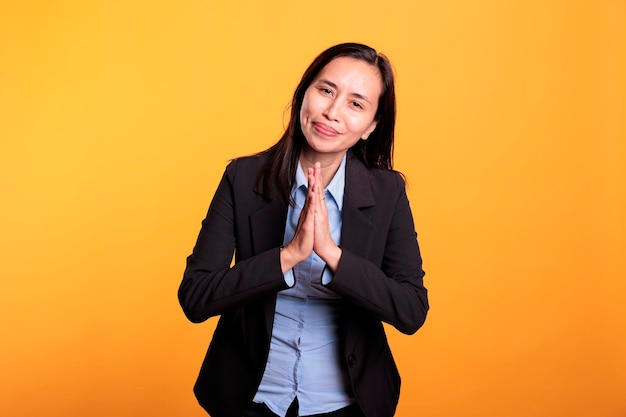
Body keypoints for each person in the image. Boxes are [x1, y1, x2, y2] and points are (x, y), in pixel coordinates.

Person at [178, 42, 429, 417]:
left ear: (370, 127)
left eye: (355, 104)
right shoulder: (243, 178)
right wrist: (287, 256)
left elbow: (411, 311)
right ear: (303, 96)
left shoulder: (388, 193)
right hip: (251, 397)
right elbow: (196, 297)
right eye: (326, 90)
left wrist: (332, 254)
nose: (332, 112)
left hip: (347, 403)